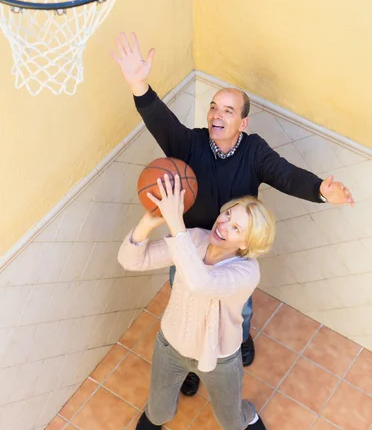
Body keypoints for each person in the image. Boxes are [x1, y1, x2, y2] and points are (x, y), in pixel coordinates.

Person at [110, 32, 354, 397]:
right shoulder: (190, 142)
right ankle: (190, 358)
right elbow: (160, 121)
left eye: (228, 110)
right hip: (191, 243)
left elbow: (287, 174)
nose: (217, 115)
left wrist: (320, 190)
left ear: (243, 123)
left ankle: (237, 340)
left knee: (237, 308)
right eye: (213, 107)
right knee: (187, 298)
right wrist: (137, 83)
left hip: (236, 246)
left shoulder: (254, 151)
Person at [118, 173, 276, 430]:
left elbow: (201, 282)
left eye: (236, 227)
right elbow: (130, 260)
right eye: (227, 215)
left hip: (220, 359)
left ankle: (248, 416)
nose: (224, 224)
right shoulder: (193, 238)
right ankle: (155, 416)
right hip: (171, 346)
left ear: (245, 244)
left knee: (230, 421)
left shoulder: (246, 272)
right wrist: (148, 223)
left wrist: (176, 222)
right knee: (159, 410)